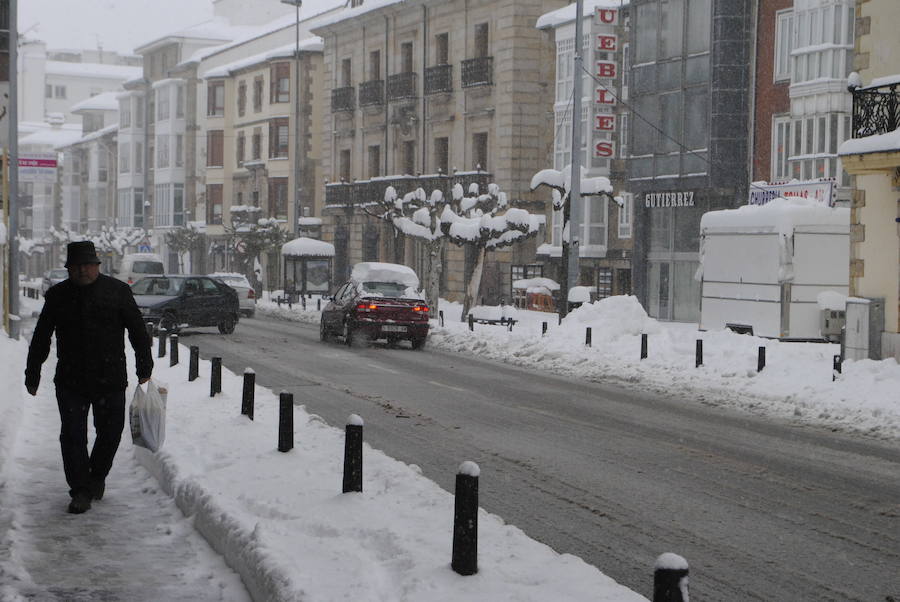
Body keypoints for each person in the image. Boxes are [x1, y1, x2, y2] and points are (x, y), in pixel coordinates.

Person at [25, 241, 153, 514]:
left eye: (87, 265)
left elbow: (138, 332)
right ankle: (80, 490)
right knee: (73, 436)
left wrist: (145, 367)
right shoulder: (58, 296)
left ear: (97, 266)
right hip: (71, 379)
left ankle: (96, 476)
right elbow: (41, 336)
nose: (82, 270)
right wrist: (32, 372)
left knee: (111, 432)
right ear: (69, 269)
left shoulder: (118, 292)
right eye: (76, 266)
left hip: (110, 377)